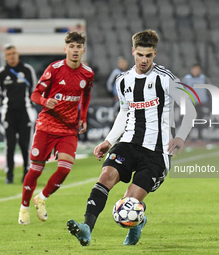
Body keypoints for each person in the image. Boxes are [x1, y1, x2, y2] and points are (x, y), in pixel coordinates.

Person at [67, 29, 196, 246]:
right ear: (132, 52)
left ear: (154, 53)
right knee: (106, 176)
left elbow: (190, 109)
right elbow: (124, 112)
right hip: (128, 143)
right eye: (140, 55)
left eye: (148, 55)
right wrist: (108, 141)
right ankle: (86, 228)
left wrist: (181, 137)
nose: (144, 60)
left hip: (156, 151)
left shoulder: (166, 79)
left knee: (128, 204)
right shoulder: (123, 80)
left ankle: (139, 222)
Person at [18, 31, 94, 225]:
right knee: (35, 170)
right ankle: (24, 208)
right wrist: (45, 101)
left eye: (78, 47)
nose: (75, 50)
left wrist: (83, 116)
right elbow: (35, 94)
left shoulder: (87, 73)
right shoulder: (54, 68)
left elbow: (85, 96)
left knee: (65, 168)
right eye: (72, 46)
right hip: (47, 125)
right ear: (65, 49)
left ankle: (41, 198)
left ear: (83, 50)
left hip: (69, 128)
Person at [0, 44, 37, 184]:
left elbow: (35, 88)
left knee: (26, 145)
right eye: (9, 54)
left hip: (25, 112)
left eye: (14, 53)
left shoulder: (27, 70)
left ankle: (27, 174)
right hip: (9, 113)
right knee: (10, 145)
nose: (12, 56)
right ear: (5, 57)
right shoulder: (1, 73)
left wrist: (30, 104)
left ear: (17, 54)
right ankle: (9, 175)